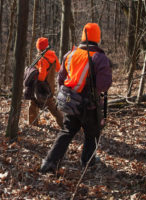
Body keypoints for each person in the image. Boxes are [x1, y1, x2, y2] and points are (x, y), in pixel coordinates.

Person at [40, 23, 112, 172]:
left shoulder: (70, 54)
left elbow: (61, 79)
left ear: (83, 37)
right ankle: (87, 162)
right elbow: (104, 85)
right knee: (92, 135)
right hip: (89, 106)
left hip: (70, 103)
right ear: (97, 37)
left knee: (66, 132)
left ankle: (49, 163)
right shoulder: (100, 57)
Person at [28, 37, 64, 128]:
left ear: (38, 48)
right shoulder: (53, 56)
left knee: (33, 103)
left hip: (42, 88)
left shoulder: (42, 59)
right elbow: (59, 69)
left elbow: (41, 76)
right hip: (50, 87)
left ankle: (33, 125)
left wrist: (34, 75)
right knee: (51, 106)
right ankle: (64, 124)